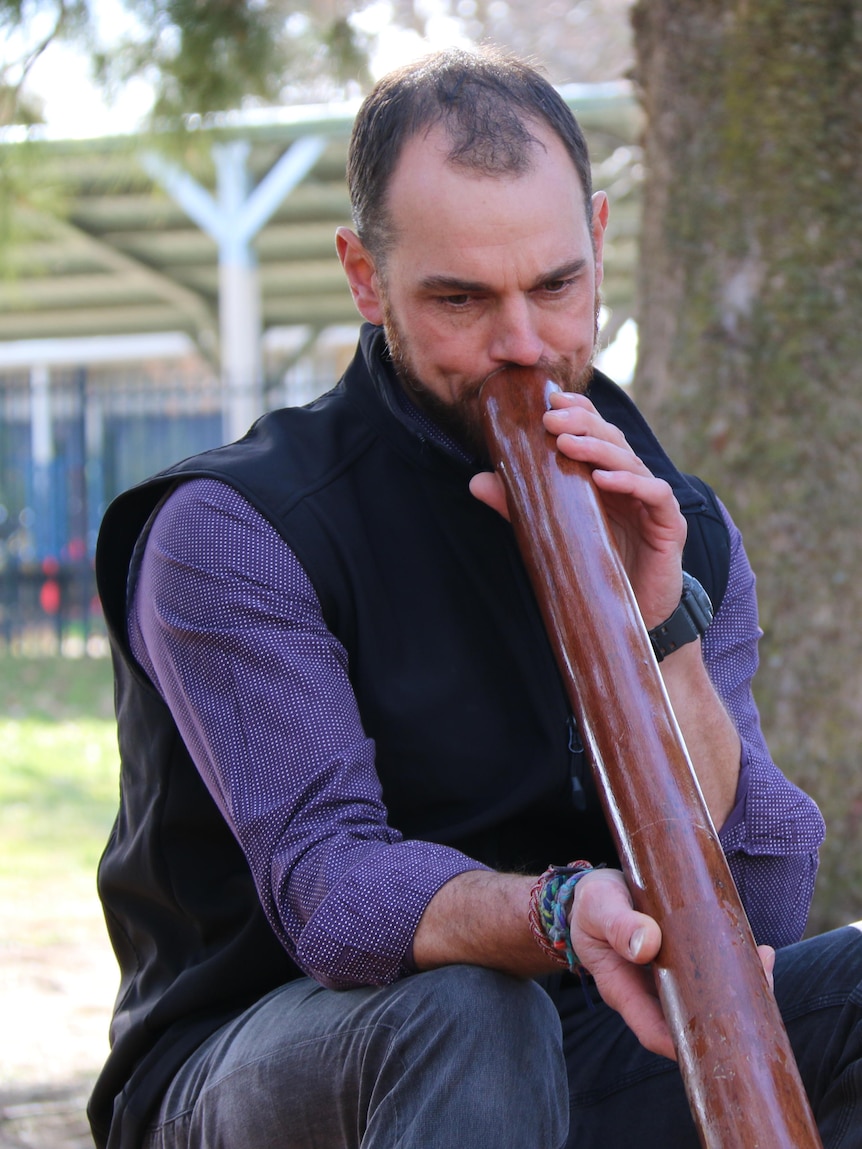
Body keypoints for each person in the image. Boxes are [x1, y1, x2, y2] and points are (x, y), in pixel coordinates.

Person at [89, 47, 862, 1149]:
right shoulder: (236, 532)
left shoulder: (669, 516)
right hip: (262, 1063)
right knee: (469, 1013)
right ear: (365, 277)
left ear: (598, 239)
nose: (522, 347)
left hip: (581, 1036)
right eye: (459, 299)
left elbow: (759, 901)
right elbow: (330, 894)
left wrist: (662, 631)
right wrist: (558, 911)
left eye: (556, 287)